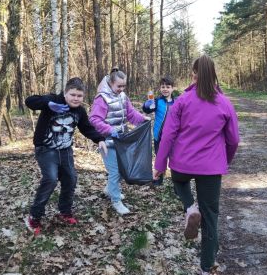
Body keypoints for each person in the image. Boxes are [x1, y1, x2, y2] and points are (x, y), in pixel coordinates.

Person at [153, 55, 239, 275]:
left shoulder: (181, 101)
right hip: (211, 169)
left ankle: (190, 207)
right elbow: (233, 140)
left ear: (194, 74)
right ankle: (208, 272)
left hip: (182, 164)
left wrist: (160, 165)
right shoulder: (225, 104)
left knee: (179, 183)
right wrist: (224, 162)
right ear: (214, 75)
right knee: (211, 218)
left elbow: (167, 135)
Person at [25, 77, 107, 236]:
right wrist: (48, 104)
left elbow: (87, 128)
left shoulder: (80, 111)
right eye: (73, 95)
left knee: (70, 179)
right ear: (65, 93)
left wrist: (100, 140)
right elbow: (30, 101)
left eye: (79, 95)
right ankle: (34, 216)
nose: (76, 98)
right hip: (46, 149)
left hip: (65, 150)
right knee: (50, 178)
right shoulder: (54, 100)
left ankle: (65, 211)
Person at [89, 68, 151, 215]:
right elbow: (94, 119)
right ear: (111, 83)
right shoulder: (102, 98)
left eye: (124, 86)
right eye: (119, 86)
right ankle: (116, 201)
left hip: (122, 141)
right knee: (115, 171)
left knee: (126, 168)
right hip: (106, 142)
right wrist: (109, 130)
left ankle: (110, 189)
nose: (121, 89)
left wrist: (142, 118)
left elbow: (130, 114)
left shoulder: (123, 96)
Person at [142, 76, 177, 186]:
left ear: (172, 88)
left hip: (174, 137)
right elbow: (148, 110)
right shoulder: (157, 101)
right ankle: (158, 178)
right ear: (160, 88)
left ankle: (176, 181)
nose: (165, 89)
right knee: (160, 158)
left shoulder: (177, 102)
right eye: (163, 87)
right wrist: (146, 105)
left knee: (174, 158)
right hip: (159, 135)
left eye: (168, 87)